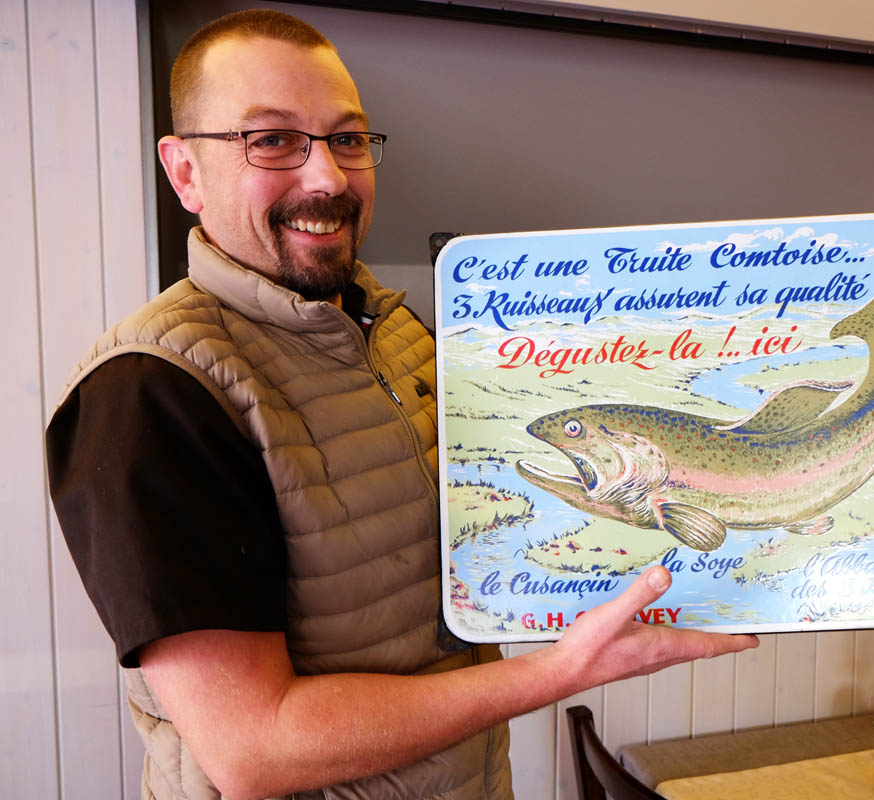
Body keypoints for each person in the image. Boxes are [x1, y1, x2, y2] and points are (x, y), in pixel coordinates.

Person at [46, 9, 757, 800]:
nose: (327, 178)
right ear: (185, 172)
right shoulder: (151, 393)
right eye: (272, 140)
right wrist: (562, 670)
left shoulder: (399, 332)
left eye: (347, 139)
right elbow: (254, 749)